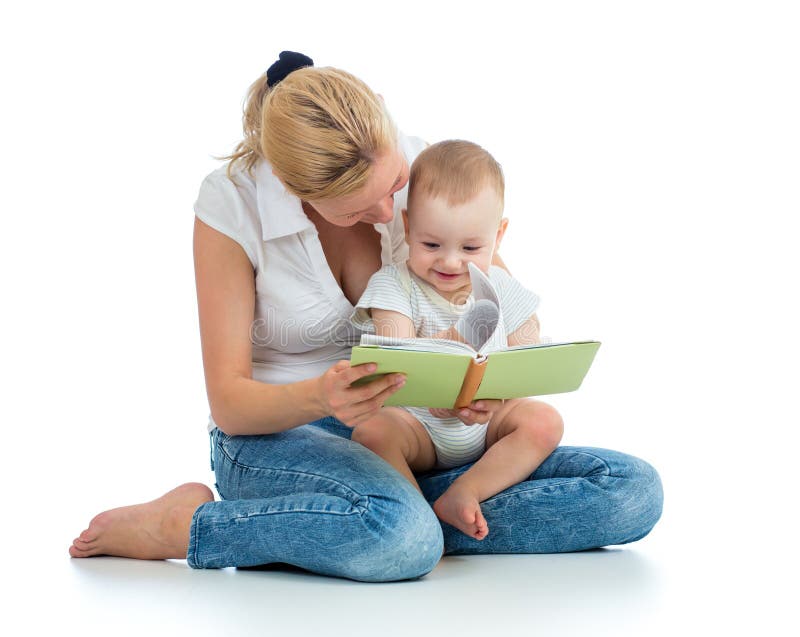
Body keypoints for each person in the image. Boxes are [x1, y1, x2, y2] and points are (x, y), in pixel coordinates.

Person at [69, 52, 663, 582]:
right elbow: (230, 404)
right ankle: (191, 526)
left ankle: (384, 515)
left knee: (631, 491)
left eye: (395, 183)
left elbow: (491, 307)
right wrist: (321, 397)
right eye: (357, 210)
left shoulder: (417, 161)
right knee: (403, 539)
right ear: (294, 189)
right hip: (285, 435)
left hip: (417, 434)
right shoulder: (232, 206)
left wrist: (483, 392)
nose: (388, 211)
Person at [350, 140, 563, 542]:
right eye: (431, 245)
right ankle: (417, 520)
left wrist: (499, 396)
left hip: (488, 424)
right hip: (419, 428)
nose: (449, 261)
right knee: (372, 433)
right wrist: (452, 353)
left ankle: (466, 492)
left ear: (498, 236)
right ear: (408, 228)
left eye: (470, 248)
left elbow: (527, 352)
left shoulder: (500, 285)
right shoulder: (394, 285)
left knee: (544, 422)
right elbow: (396, 362)